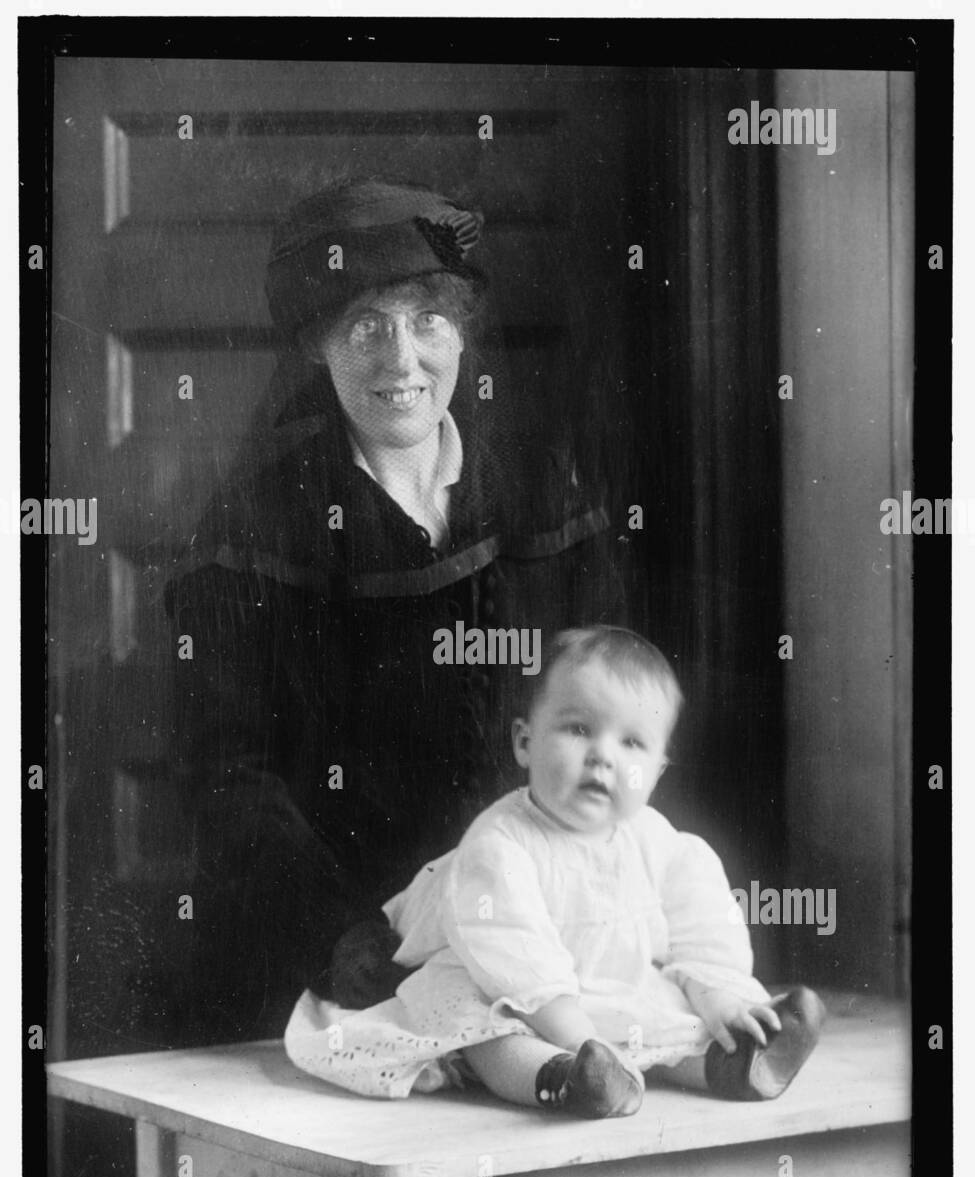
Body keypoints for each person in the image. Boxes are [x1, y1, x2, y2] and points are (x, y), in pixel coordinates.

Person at [166, 179, 632, 1042]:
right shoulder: (252, 531)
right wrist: (347, 939)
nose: (401, 361)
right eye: (364, 327)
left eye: (426, 322)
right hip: (345, 951)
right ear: (315, 346)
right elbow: (228, 779)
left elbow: (612, 713)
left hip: (540, 929)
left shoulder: (539, 494)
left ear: (460, 330)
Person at [285, 626, 826, 1117]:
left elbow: (702, 931)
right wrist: (581, 1039)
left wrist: (720, 999)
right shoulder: (499, 845)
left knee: (665, 1018)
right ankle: (563, 1080)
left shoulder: (659, 844)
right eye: (578, 729)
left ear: (657, 771)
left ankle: (730, 1064)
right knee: (486, 1032)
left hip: (590, 993)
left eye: (632, 742)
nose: (603, 757)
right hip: (485, 976)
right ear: (525, 742)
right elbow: (515, 959)